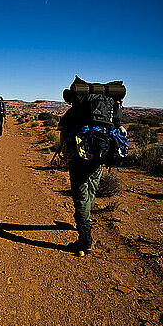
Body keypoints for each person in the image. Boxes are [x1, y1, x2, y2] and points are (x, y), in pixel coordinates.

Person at [58, 90, 127, 256]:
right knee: (90, 191)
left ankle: (85, 240)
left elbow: (63, 132)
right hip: (99, 157)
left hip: (78, 158)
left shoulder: (74, 112)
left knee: (80, 195)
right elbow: (122, 132)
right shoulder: (109, 116)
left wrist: (64, 151)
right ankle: (84, 221)